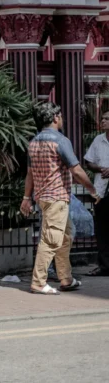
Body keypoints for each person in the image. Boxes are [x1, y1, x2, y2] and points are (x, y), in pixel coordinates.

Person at [22, 102, 100, 295]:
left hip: (43, 197)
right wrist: (92, 189)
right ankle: (39, 282)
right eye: (61, 116)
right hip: (56, 197)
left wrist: (26, 197)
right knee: (50, 240)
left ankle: (66, 278)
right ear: (55, 118)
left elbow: (30, 174)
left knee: (65, 237)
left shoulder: (33, 142)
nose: (62, 119)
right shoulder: (60, 141)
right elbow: (76, 170)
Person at [83, 110, 109, 277]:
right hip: (101, 191)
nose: (103, 120)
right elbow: (88, 162)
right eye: (103, 118)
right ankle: (105, 265)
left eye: (107, 118)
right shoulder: (98, 140)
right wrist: (100, 169)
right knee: (102, 230)